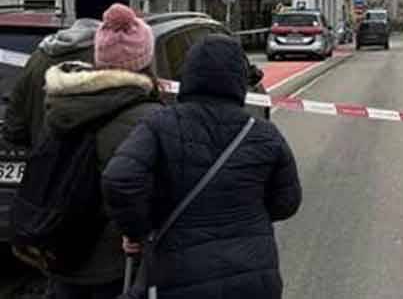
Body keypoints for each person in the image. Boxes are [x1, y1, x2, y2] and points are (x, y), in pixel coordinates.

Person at [103, 35, 302, 299]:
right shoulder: (264, 133)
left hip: (178, 275)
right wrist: (247, 212)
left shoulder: (159, 124)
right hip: (253, 276)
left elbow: (120, 179)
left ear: (188, 75)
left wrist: (139, 230)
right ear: (238, 80)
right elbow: (287, 202)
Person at [40, 4, 164, 299]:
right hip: (115, 260)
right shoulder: (148, 118)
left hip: (61, 244)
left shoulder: (61, 104)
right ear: (145, 60)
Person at [3, 0, 129, 149]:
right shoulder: (117, 58)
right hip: (95, 172)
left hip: (45, 169)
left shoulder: (39, 57)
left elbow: (14, 127)